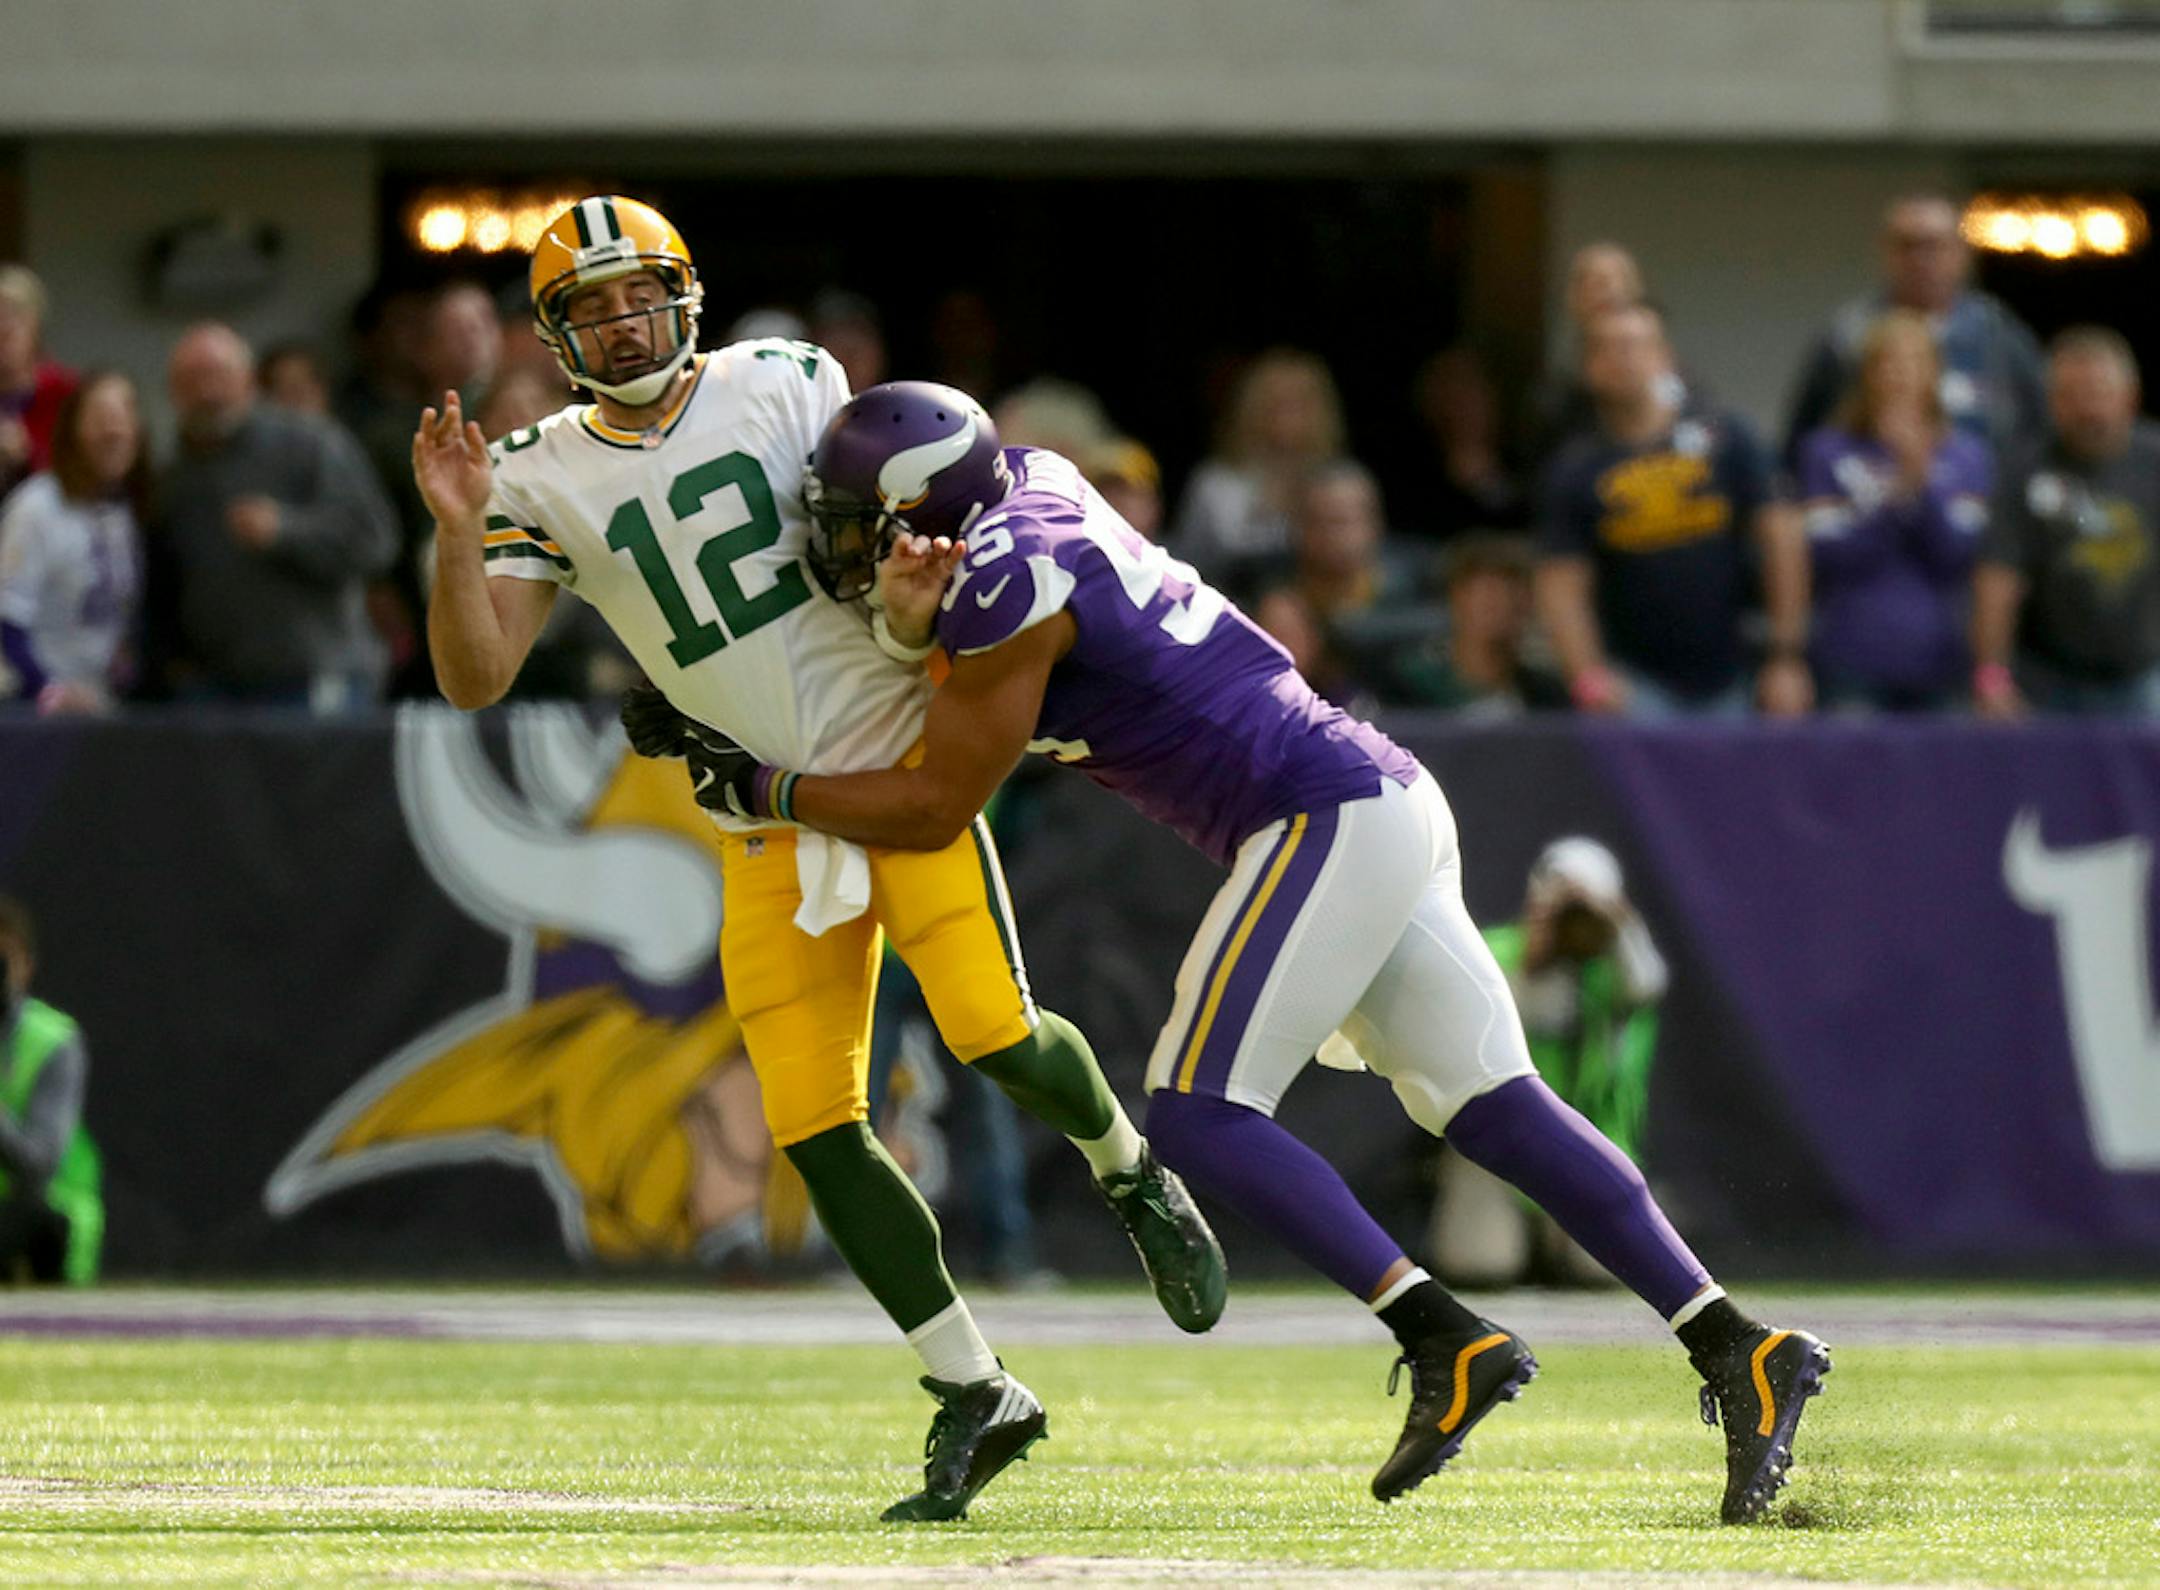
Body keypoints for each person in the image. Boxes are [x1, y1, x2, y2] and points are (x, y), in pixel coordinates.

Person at [677, 379, 1831, 1525]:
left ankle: (1444, 1335)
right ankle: (1741, 1345)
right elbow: (958, 653)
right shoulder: (1031, 487)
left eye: (861, 522)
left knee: (1197, 1111)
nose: (847, 545)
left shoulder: (1005, 583)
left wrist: (765, 788)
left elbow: (936, 804)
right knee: (1492, 1104)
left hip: (1315, 811)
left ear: (925, 514)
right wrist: (906, 620)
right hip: (1368, 790)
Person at [412, 197, 1225, 1523]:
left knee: (994, 1034)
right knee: (815, 1128)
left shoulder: (784, 380)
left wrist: (905, 617)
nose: (625, 324)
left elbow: (880, 539)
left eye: (640, 294)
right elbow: (474, 675)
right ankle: (974, 1386)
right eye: (593, 307)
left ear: (684, 294)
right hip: (762, 824)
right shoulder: (532, 471)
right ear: (555, 335)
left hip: (894, 772)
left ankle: (1130, 1167)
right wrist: (457, 531)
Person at [1535, 303, 1812, 717]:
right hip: (1633, 688)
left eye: (1633, 345)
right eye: (1605, 348)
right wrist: (1588, 677)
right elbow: (1561, 584)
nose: (1621, 359)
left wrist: (1786, 657)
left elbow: (1782, 538)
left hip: (1738, 675)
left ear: (1664, 356)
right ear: (1588, 367)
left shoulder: (1726, 436)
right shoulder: (1574, 470)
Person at [1431, 838, 1666, 1288]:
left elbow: (1646, 984)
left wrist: (1618, 927)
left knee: (1605, 1270)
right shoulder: (1497, 951)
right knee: (1480, 1266)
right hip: (1496, 1150)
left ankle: (1562, 1240)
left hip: (1589, 1147)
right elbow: (1468, 1026)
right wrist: (1530, 964)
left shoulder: (1616, 972)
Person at [147, 322, 397, 710]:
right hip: (214, 688)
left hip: (313, 678)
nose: (207, 392)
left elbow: (375, 540)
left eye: (218, 375)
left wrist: (286, 530)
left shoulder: (312, 442)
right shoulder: (174, 476)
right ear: (173, 392)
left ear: (249, 381)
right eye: (192, 380)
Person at [1791, 311, 1991, 711]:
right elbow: (1830, 557)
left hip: (1941, 660)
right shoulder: (1825, 450)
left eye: (1915, 361)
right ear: (1867, 374)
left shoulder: (1968, 456)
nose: (1901, 374)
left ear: (1935, 373)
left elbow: (1957, 556)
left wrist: (1921, 484)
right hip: (1851, 659)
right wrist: (1896, 495)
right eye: (1888, 361)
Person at [1973, 327, 2160, 718]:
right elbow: (1998, 579)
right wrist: (1992, 678)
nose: (2088, 409)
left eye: (2099, 393)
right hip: (2047, 678)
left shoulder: (2154, 462)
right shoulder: (2025, 470)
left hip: (2143, 676)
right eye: (2071, 395)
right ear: (2051, 402)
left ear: (2131, 397)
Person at [1783, 194, 2046, 470]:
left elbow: (2039, 430)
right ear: (1885, 252)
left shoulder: (1998, 337)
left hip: (1983, 490)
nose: (1920, 260)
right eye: (1907, 246)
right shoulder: (1848, 338)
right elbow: (1803, 437)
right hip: (1866, 488)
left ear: (1961, 253)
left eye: (1933, 246)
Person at [0, 371, 149, 713]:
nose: (114, 431)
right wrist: (49, 691)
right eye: (100, 419)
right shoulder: (37, 507)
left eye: (124, 418)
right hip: (29, 705)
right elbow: (6, 619)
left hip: (96, 702)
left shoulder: (122, 511)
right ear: (72, 431)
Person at [1250, 460, 1438, 708]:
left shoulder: (1416, 593)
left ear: (1374, 523)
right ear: (1297, 526)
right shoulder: (1274, 602)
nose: (1330, 535)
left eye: (1342, 521)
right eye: (1317, 521)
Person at [1168, 348, 1347, 598]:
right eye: (1276, 403)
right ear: (1251, 408)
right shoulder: (1214, 484)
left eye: (1299, 403)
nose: (1287, 416)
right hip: (1228, 604)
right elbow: (1185, 567)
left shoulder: (1342, 486)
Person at [0, 896, 101, 1286]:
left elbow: (39, 1163)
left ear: (26, 965)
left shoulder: (53, 1041)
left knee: (32, 1220)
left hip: (43, 1215)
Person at [1391, 536, 1568, 717]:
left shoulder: (1547, 695)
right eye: (1488, 598)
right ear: (1456, 599)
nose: (1503, 605)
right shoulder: (1411, 688)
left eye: (1513, 595)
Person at [0, 266, 78, 503]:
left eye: (14, 318)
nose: (3, 328)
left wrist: (29, 452)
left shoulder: (67, 392)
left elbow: (84, 470)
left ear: (36, 326)